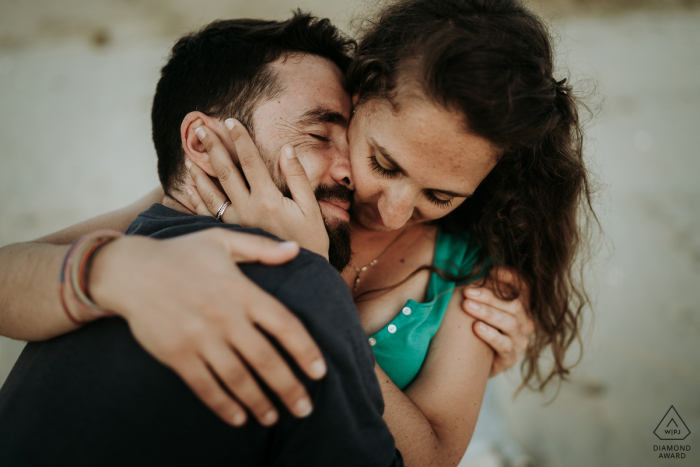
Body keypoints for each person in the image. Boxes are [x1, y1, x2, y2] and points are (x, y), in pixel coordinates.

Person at [0, 0, 596, 465]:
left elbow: (431, 456)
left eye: (440, 196)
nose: (392, 211)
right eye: (382, 164)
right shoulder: (243, 193)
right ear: (358, 98)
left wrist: (314, 277)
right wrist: (110, 271)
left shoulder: (478, 273)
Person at [0, 15, 404, 467]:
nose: (351, 173)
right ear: (201, 141)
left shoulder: (102, 262)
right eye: (317, 135)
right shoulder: (299, 285)